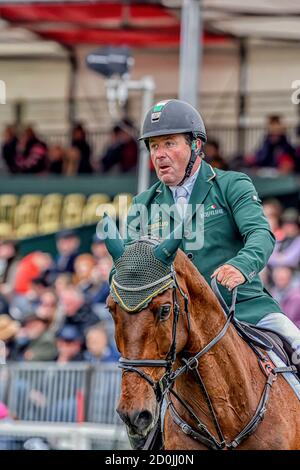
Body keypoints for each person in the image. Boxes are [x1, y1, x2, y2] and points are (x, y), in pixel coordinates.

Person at [125, 98, 300, 358]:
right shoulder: (143, 204)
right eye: (153, 146)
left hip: (242, 307)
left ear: (195, 145)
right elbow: (129, 268)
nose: (159, 154)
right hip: (177, 324)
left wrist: (241, 266)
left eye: (169, 143)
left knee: (296, 344)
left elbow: (260, 234)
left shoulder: (232, 185)